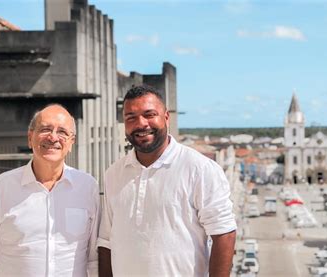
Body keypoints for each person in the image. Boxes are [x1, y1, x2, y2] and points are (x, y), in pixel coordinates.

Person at [98, 85, 236, 277]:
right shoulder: (114, 173)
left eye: (149, 114)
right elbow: (106, 241)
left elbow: (224, 234)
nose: (141, 124)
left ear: (166, 117)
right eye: (131, 117)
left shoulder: (200, 169)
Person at [0, 104, 99, 276]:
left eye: (62, 132)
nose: (53, 137)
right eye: (45, 129)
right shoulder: (1, 187)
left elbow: (94, 260)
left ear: (71, 143)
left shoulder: (88, 187)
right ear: (30, 138)